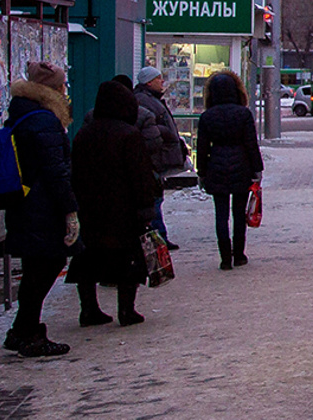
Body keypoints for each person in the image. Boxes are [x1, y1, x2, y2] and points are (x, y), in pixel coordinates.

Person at [67, 80, 160, 327]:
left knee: (87, 258)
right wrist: (145, 208)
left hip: (89, 207)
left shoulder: (84, 133)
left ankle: (88, 309)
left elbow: (74, 171)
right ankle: (126, 310)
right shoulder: (129, 135)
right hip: (123, 209)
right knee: (128, 258)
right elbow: (140, 175)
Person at [2, 61, 78, 357]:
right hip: (41, 205)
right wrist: (69, 209)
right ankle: (28, 331)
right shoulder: (43, 121)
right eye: (61, 84)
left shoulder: (21, 113)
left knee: (38, 266)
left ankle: (22, 329)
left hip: (25, 202)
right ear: (52, 89)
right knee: (46, 263)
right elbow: (55, 171)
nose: (65, 89)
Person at [198, 69, 263, 270]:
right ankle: (239, 254)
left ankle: (225, 257)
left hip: (216, 167)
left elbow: (202, 148)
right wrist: (257, 170)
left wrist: (202, 172)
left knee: (221, 215)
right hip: (241, 167)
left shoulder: (207, 116)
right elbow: (251, 144)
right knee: (238, 214)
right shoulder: (243, 114)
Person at [134, 65, 188, 250]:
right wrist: (165, 133)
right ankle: (157, 238)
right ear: (149, 82)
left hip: (158, 156)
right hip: (153, 158)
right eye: (158, 79)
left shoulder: (151, 99)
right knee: (154, 198)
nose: (162, 82)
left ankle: (159, 235)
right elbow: (149, 128)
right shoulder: (144, 101)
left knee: (157, 197)